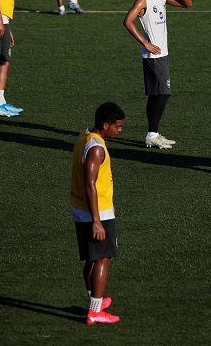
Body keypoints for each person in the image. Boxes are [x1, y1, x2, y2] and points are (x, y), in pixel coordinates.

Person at [123, 0, 192, 149]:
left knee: (155, 94)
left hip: (163, 54)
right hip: (153, 56)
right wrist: (145, 43)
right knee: (164, 93)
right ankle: (152, 134)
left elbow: (187, 4)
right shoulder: (143, 0)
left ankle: (152, 134)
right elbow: (128, 21)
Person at [70, 102, 125, 325]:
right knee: (103, 258)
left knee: (93, 258)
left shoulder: (85, 136)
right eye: (117, 126)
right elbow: (90, 183)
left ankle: (95, 301)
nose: (119, 130)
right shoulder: (96, 148)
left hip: (81, 207)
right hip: (95, 212)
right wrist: (97, 221)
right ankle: (95, 311)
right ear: (105, 125)